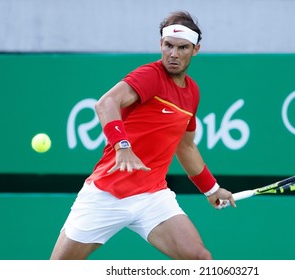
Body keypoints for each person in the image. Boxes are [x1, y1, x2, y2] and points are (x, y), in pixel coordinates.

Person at [50, 10, 236, 260]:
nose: (173, 54)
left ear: (196, 49)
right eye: (168, 45)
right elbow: (106, 104)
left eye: (182, 48)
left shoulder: (192, 92)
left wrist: (211, 189)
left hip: (152, 197)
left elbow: (187, 147)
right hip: (107, 193)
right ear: (161, 44)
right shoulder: (150, 75)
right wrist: (122, 146)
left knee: (200, 260)